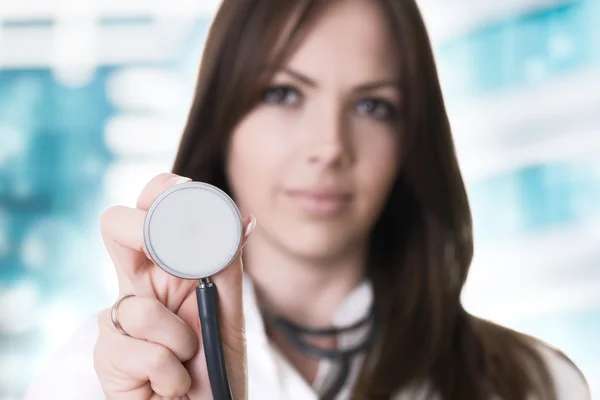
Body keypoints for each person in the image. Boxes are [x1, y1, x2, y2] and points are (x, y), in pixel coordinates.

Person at [25, 0, 591, 399]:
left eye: (372, 106)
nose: (329, 147)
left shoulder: (535, 385)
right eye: (284, 94)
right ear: (223, 121)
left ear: (410, 142)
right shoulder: (100, 379)